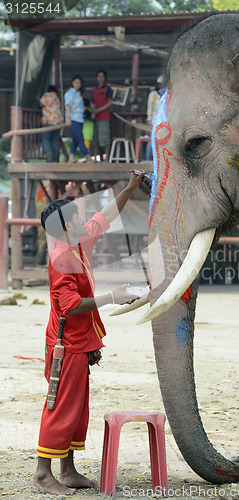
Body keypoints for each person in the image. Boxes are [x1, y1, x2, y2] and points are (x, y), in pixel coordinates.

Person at [33, 170, 146, 496]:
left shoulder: (77, 240)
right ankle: (43, 473)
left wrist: (129, 188)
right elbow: (69, 305)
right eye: (79, 218)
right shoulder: (61, 257)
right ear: (66, 226)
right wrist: (113, 297)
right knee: (61, 407)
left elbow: (105, 215)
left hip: (79, 342)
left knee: (77, 408)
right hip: (65, 346)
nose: (85, 220)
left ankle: (66, 471)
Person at [64, 75, 92, 163]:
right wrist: (68, 118)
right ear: (72, 83)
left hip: (80, 119)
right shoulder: (69, 93)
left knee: (75, 139)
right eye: (76, 82)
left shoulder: (78, 93)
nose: (77, 84)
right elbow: (68, 106)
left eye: (79, 83)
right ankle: (87, 157)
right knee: (80, 138)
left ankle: (71, 157)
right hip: (73, 119)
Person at [37, 85, 63, 162]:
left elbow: (41, 104)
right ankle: (55, 159)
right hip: (58, 122)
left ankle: (48, 153)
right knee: (54, 140)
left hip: (48, 120)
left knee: (45, 138)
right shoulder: (57, 98)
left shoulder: (47, 95)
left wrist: (38, 99)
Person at [91, 69, 113, 162]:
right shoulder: (94, 89)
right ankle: (95, 158)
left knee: (104, 138)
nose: (100, 78)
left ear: (105, 78)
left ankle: (106, 158)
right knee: (95, 139)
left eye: (102, 76)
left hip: (104, 117)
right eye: (98, 76)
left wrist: (99, 110)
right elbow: (91, 101)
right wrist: (93, 109)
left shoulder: (107, 89)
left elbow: (110, 102)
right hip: (95, 117)